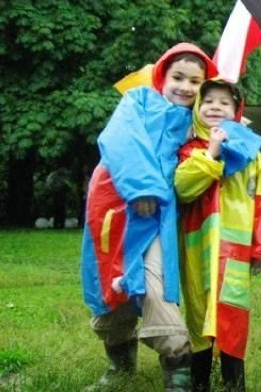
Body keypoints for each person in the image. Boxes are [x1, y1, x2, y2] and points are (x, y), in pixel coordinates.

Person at [81, 43, 218, 391]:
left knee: (155, 282)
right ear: (162, 76)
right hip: (114, 205)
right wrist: (141, 188)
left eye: (195, 81)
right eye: (177, 77)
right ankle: (119, 363)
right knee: (110, 284)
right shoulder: (139, 101)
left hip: (157, 216)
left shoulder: (198, 122)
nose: (185, 87)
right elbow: (119, 138)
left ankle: (178, 370)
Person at [174, 78, 261, 392]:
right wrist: (212, 153)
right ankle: (199, 379)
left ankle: (235, 380)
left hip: (235, 250)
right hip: (197, 250)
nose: (215, 107)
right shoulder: (189, 150)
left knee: (232, 312)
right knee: (198, 312)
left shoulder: (250, 153)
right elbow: (182, 188)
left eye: (224, 103)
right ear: (197, 108)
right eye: (208, 101)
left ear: (236, 112)